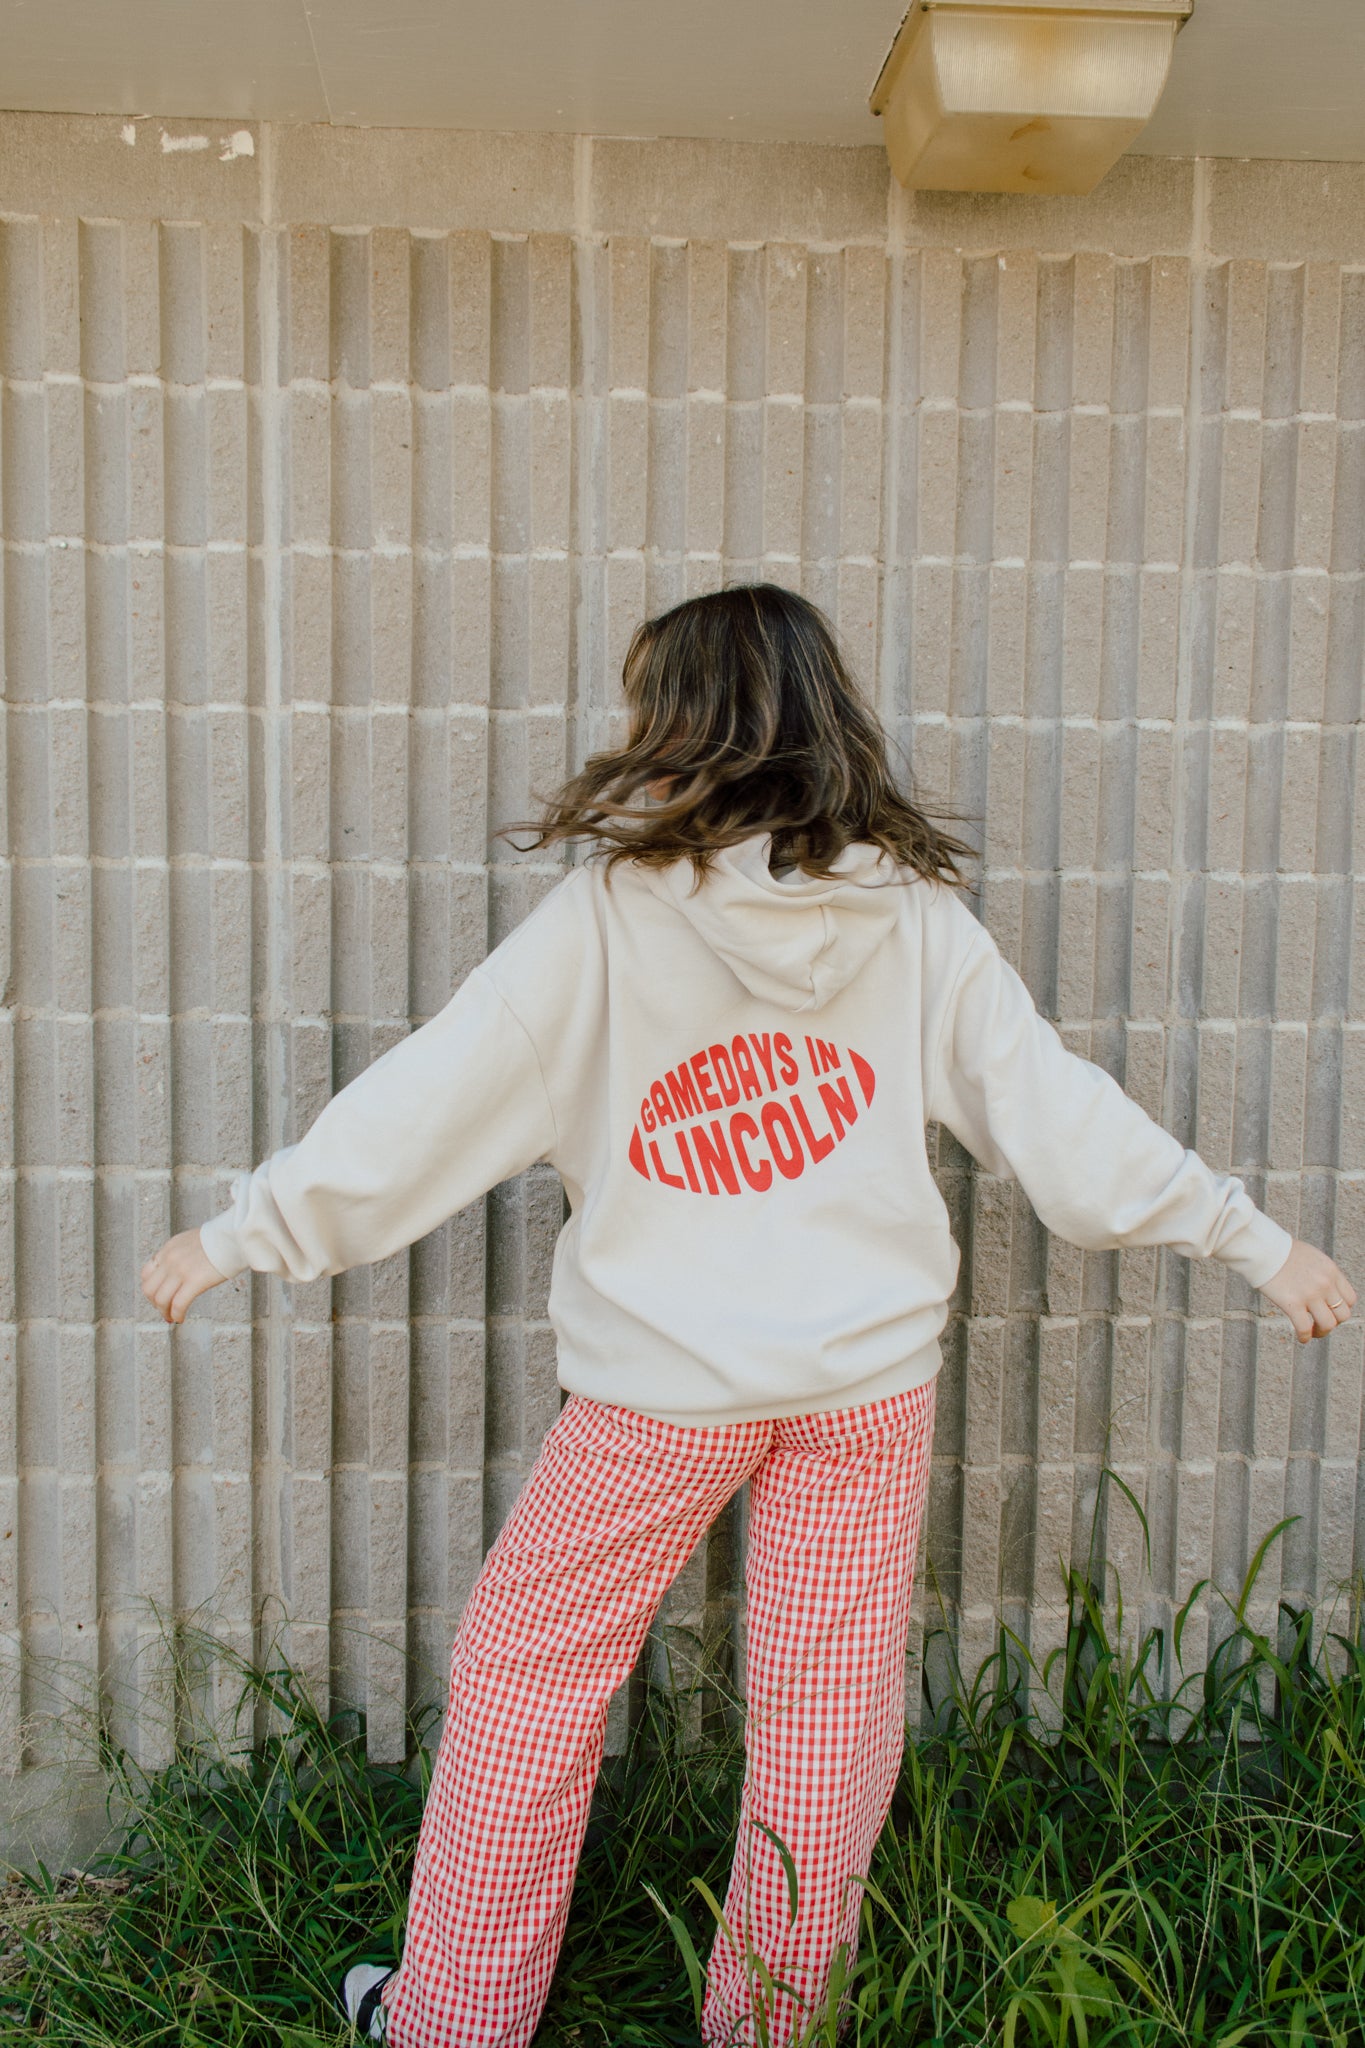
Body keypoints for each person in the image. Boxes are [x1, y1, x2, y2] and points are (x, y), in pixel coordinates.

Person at [140, 583, 1354, 2048]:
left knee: (527, 1678)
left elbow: (435, 1093)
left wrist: (248, 1229)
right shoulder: (909, 919)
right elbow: (1055, 1113)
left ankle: (452, 2022)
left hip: (661, 1392)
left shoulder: (608, 919)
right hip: (862, 1388)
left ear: (683, 727)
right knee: (825, 1718)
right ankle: (770, 2027)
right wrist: (1249, 1237)